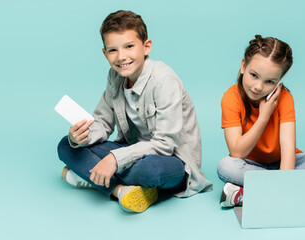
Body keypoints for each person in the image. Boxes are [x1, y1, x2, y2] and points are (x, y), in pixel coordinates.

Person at [56, 10, 212, 213]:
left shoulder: (165, 81)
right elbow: (102, 123)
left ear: (146, 47)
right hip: (133, 152)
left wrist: (114, 159)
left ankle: (91, 176)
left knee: (148, 170)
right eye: (113, 50)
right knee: (66, 145)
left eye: (129, 46)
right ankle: (119, 191)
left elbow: (165, 145)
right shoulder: (115, 76)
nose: (121, 57)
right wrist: (80, 137)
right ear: (105, 53)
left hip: (170, 161)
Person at [217, 35, 305, 207]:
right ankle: (295, 189)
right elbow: (237, 152)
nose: (258, 87)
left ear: (280, 81)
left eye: (269, 81)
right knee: (226, 166)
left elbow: (288, 147)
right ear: (243, 66)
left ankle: (252, 191)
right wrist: (264, 116)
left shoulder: (285, 98)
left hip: (285, 163)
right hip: (250, 164)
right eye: (254, 75)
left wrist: (285, 180)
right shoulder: (231, 98)